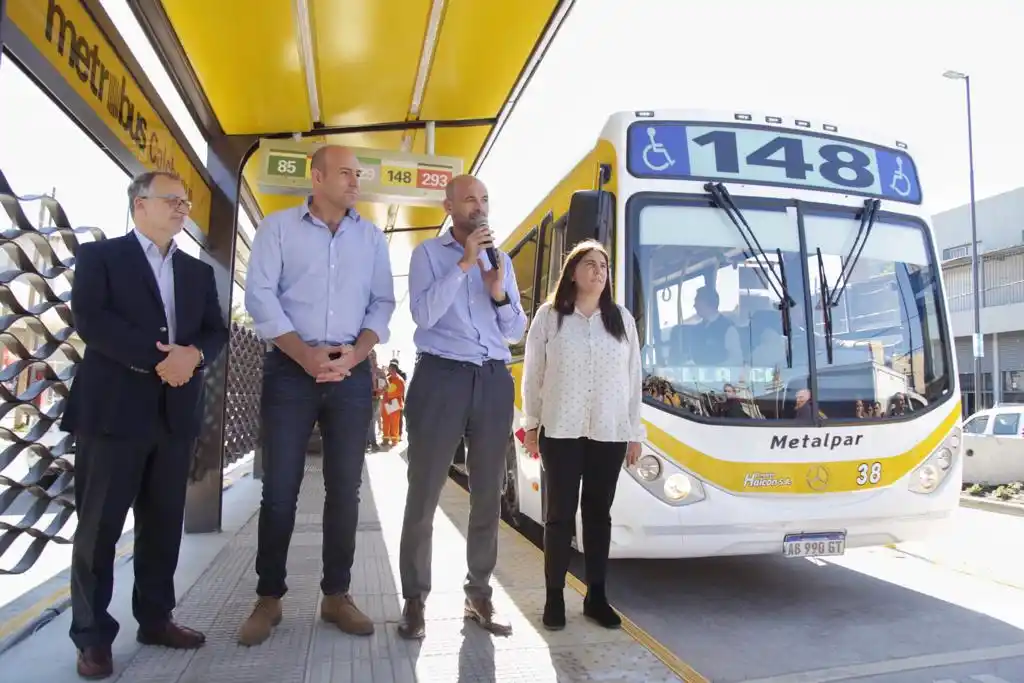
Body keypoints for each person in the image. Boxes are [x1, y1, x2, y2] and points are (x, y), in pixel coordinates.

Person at [62, 170, 229, 679]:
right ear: (140, 205)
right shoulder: (101, 257)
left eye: (185, 202)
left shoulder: (197, 273)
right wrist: (159, 360)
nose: (182, 208)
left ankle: (156, 618)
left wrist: (193, 355)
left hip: (174, 416)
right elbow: (90, 320)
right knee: (100, 531)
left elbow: (214, 331)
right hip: (112, 415)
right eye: (172, 200)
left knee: (162, 527)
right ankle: (92, 637)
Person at [239, 144, 396, 646]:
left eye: (358, 174)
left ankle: (337, 594)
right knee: (279, 489)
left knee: (345, 490)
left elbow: (382, 302)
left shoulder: (371, 238)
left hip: (349, 373)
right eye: (346, 173)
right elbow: (259, 295)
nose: (355, 181)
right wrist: (304, 355)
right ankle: (269, 598)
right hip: (290, 369)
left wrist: (355, 355)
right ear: (318, 175)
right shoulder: (278, 229)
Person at [396, 174, 527, 640]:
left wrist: (498, 292)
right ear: (448, 205)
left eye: (485, 198)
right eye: (470, 198)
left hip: (492, 378)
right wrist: (465, 264)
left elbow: (514, 331)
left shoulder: (503, 260)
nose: (480, 206)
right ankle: (414, 599)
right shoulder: (427, 256)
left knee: (488, 493)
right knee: (425, 491)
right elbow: (424, 314)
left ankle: (479, 594)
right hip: (442, 376)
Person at [520, 239, 644, 632]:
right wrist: (532, 425)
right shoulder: (549, 317)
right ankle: (554, 596)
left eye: (604, 266)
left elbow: (634, 379)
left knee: (597, 516)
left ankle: (596, 597)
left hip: (609, 432)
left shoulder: (621, 319)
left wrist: (634, 432)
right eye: (590, 264)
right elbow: (532, 375)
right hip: (561, 430)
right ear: (572, 272)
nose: (599, 271)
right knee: (558, 517)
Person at [381, 360, 406, 447]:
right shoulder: (387, 378)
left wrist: (389, 396)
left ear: (395, 369)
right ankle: (385, 439)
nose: (389, 370)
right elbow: (381, 388)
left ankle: (394, 440)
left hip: (393, 402)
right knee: (385, 421)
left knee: (394, 422)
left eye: (391, 368)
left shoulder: (399, 379)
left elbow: (400, 392)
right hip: (386, 402)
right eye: (389, 368)